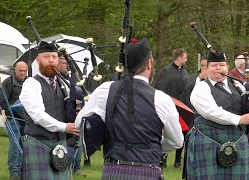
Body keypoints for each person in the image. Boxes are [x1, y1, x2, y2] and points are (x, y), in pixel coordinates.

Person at [75, 38, 184, 179]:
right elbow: (176, 141)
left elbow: (79, 124)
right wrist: (150, 146)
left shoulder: (105, 90)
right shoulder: (162, 99)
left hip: (113, 171)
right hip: (148, 171)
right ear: (149, 64)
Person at [184, 50, 249, 179]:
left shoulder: (238, 85)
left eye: (222, 65)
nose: (218, 68)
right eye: (214, 65)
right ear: (206, 69)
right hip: (207, 142)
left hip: (237, 140)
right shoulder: (201, 88)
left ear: (227, 68)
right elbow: (211, 111)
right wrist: (239, 119)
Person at [19, 41, 79, 180]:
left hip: (60, 145)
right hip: (38, 144)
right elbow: (38, 115)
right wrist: (64, 127)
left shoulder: (63, 83)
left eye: (54, 57)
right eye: (47, 57)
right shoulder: (31, 84)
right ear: (38, 60)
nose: (51, 60)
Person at [154, 48, 189, 168]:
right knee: (165, 132)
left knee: (182, 133)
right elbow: (159, 89)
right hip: (168, 107)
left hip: (182, 108)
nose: (186, 59)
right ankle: (162, 159)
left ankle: (178, 160)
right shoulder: (165, 72)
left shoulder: (185, 73)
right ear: (179, 58)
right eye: (185, 57)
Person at [0, 61, 27, 180]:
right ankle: (14, 172)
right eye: (20, 71)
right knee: (15, 145)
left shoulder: (29, 83)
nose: (22, 73)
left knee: (24, 146)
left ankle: (22, 171)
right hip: (12, 119)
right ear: (15, 70)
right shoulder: (8, 82)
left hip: (26, 120)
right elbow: (1, 103)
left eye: (25, 71)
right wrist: (12, 111)